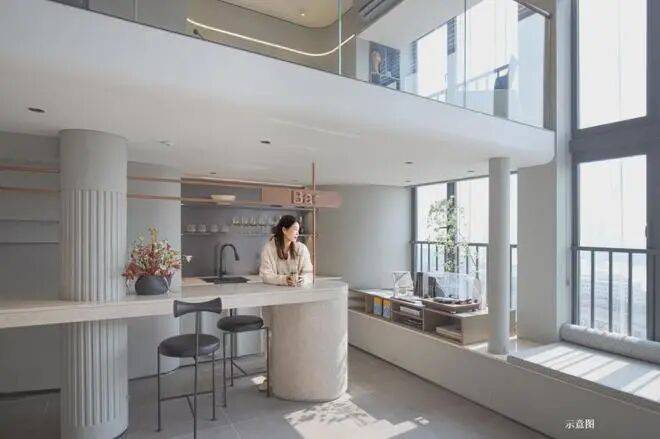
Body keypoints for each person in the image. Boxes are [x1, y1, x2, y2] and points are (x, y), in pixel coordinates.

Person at [259, 215, 313, 286]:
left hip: (297, 290)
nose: (298, 233)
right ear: (284, 230)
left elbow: (309, 273)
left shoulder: (302, 248)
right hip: (274, 291)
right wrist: (285, 279)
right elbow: (266, 275)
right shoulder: (268, 249)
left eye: (298, 230)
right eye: (295, 229)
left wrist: (301, 280)